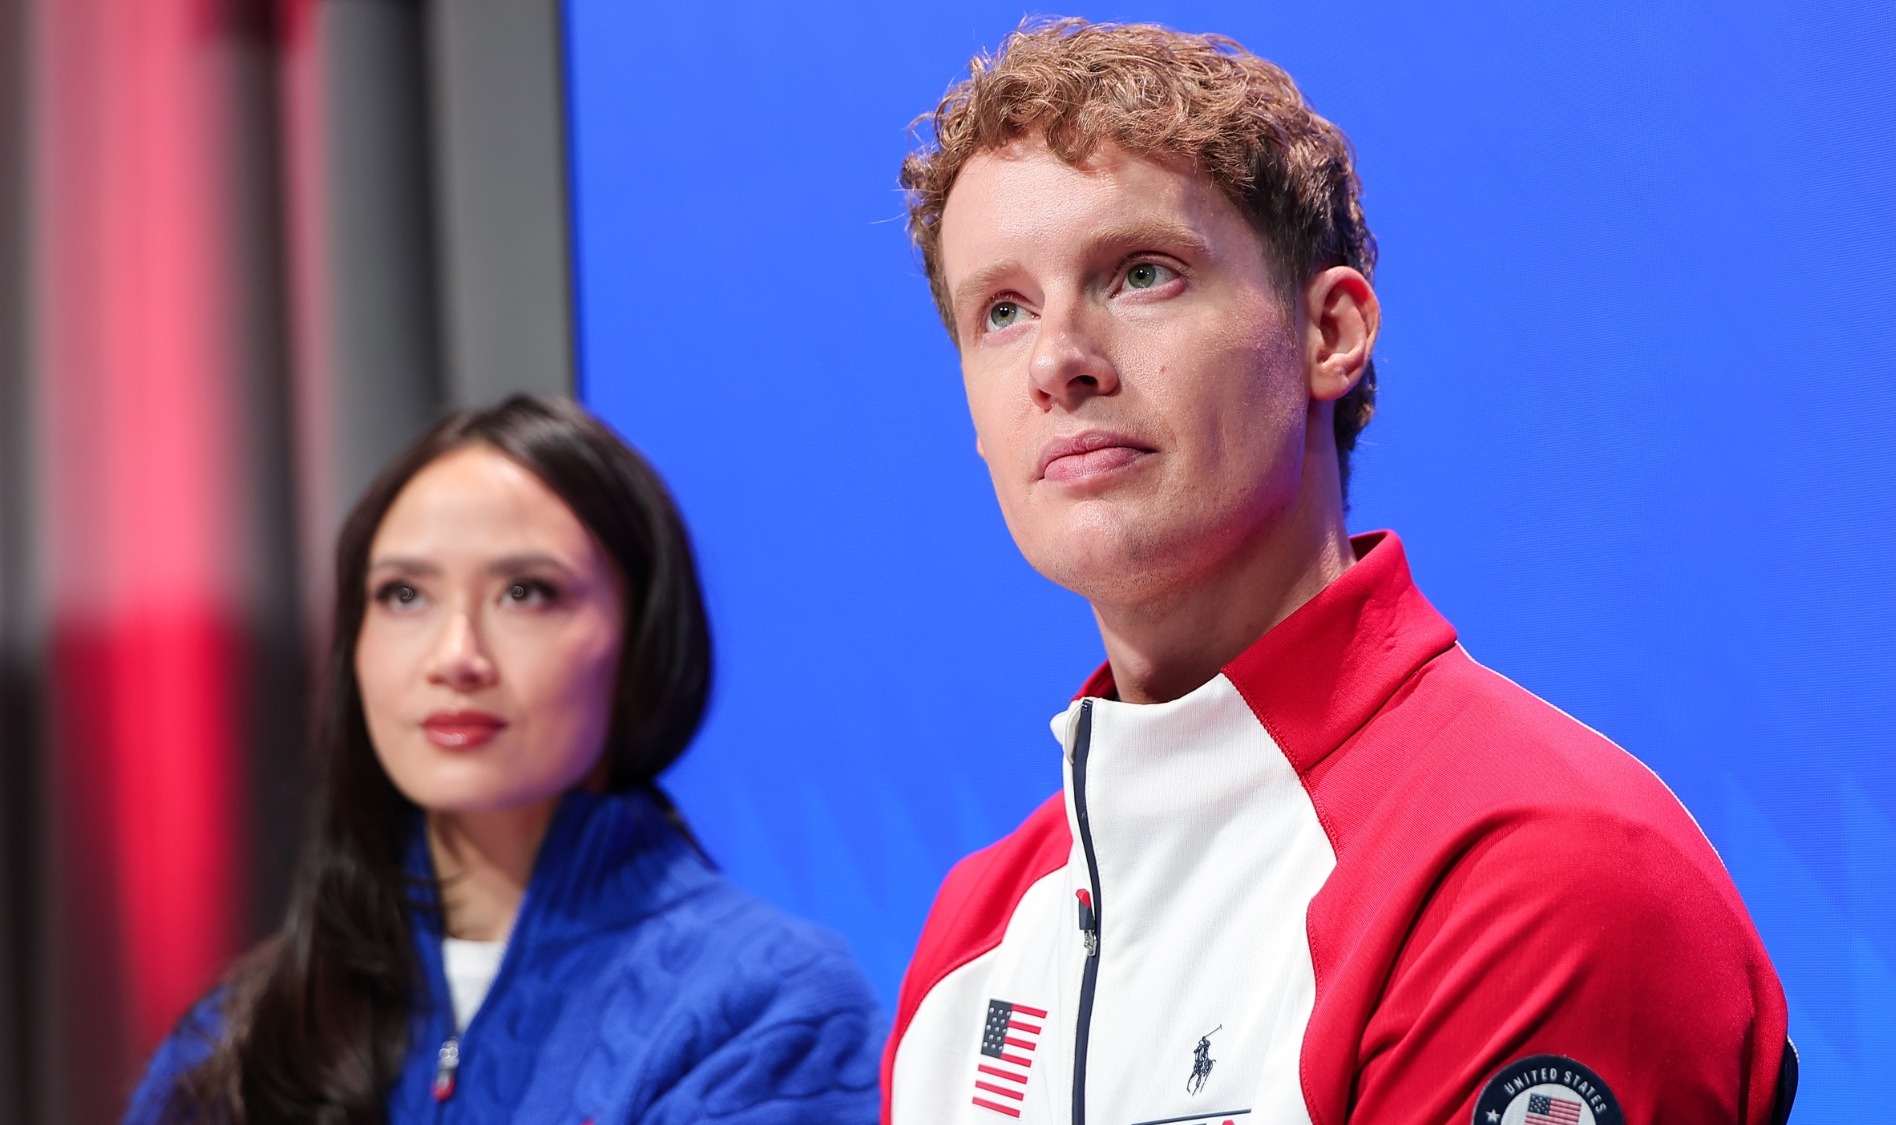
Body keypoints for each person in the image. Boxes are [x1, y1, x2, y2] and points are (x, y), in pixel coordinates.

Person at [883, 19, 1795, 1125]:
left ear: (1330, 331)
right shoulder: (970, 941)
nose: (1055, 361)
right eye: (1002, 310)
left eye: (1139, 274)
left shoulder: (1532, 868)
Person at [125, 395, 881, 1123]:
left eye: (525, 592)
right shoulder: (245, 1031)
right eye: (403, 596)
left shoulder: (764, 1005)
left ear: (644, 637)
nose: (456, 656)